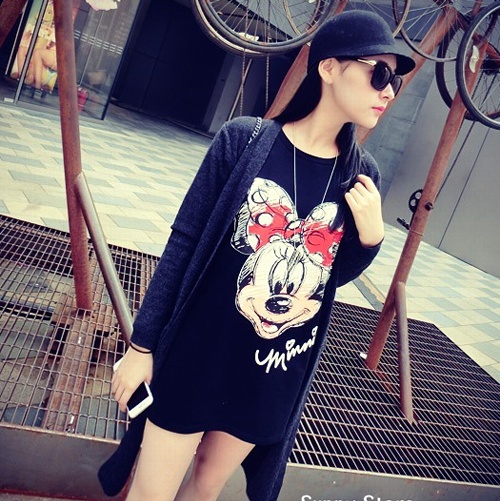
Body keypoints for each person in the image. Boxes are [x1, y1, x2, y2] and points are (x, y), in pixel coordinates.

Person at [99, 9, 415, 501]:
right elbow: (183, 243)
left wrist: (370, 240)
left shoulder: (360, 173)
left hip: (272, 370)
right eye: (379, 74)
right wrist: (142, 348)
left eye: (394, 81)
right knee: (150, 493)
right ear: (329, 68)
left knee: (206, 487)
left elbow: (329, 277)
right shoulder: (243, 141)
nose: (389, 91)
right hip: (198, 354)